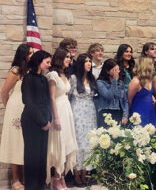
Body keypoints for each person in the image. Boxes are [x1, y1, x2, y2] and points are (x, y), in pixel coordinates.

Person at [0, 44, 33, 190]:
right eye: (30, 53)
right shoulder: (15, 71)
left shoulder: (31, 71)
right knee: (15, 142)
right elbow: (4, 92)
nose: (32, 55)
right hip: (15, 110)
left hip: (28, 110)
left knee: (26, 144)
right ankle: (15, 179)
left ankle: (27, 177)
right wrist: (9, 110)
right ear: (23, 55)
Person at [46, 48, 78, 190]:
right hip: (57, 110)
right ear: (59, 58)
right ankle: (56, 178)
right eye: (67, 57)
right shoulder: (52, 74)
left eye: (70, 58)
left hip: (67, 110)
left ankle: (62, 177)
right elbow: (51, 97)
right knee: (59, 144)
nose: (69, 60)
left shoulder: (65, 74)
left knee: (66, 144)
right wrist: (56, 118)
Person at [21, 50, 52, 190]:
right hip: (31, 121)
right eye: (47, 62)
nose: (49, 65)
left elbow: (47, 102)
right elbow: (29, 102)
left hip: (45, 120)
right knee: (32, 154)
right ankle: (31, 186)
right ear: (39, 61)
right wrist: (42, 122)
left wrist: (48, 119)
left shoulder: (44, 79)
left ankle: (40, 184)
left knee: (42, 154)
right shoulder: (28, 78)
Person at [69, 54, 98, 187]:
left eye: (89, 61)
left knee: (88, 142)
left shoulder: (92, 78)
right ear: (80, 64)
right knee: (79, 141)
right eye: (86, 61)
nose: (88, 63)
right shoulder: (74, 78)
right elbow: (68, 96)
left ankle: (84, 173)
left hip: (90, 112)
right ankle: (76, 174)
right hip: (78, 111)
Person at [96, 59, 128, 127]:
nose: (117, 72)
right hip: (106, 113)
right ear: (107, 71)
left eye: (118, 70)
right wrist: (114, 81)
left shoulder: (120, 83)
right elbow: (109, 96)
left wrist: (125, 116)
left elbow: (125, 101)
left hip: (118, 112)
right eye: (114, 70)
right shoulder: (100, 83)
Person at [128, 57, 156, 126]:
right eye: (152, 64)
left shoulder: (149, 80)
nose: (153, 67)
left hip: (150, 111)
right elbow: (129, 100)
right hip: (139, 112)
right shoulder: (135, 81)